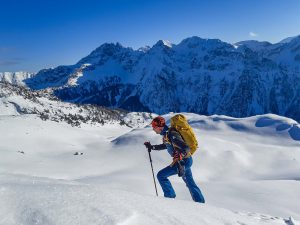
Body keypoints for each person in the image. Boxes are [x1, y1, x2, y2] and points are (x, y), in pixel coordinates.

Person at [144, 116, 205, 203]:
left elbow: (186, 147)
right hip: (185, 160)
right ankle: (200, 203)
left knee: (161, 175)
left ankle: (170, 199)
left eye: (154, 127)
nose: (153, 129)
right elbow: (166, 145)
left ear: (159, 127)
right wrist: (152, 147)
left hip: (183, 162)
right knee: (190, 183)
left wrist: (180, 154)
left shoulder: (172, 134)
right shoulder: (167, 135)